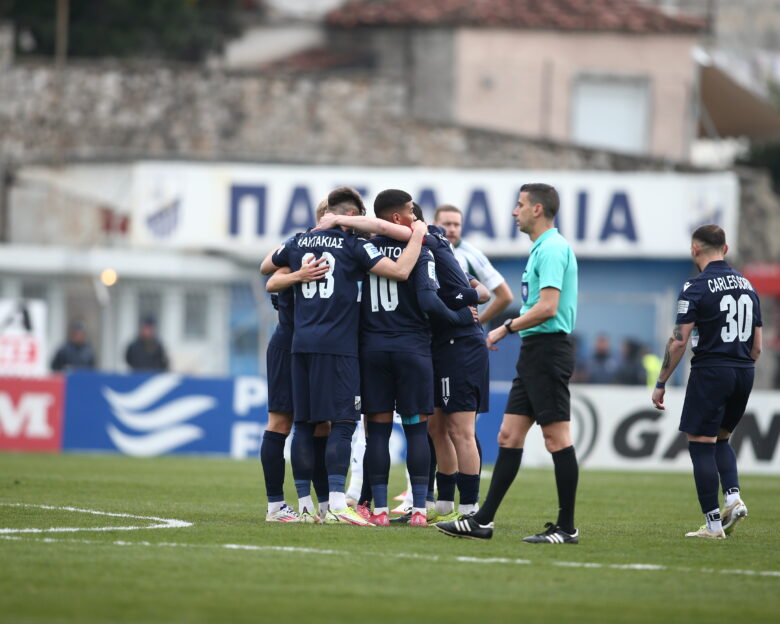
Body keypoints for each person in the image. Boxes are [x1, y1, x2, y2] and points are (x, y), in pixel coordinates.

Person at [264, 186, 427, 526]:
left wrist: (296, 273)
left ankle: (309, 505)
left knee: (305, 426)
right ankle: (338, 504)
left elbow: (267, 270)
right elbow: (399, 272)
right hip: (337, 346)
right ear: (351, 216)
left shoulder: (297, 241)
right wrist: (418, 236)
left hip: (300, 344)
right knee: (342, 422)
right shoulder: (354, 245)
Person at [436, 182, 580, 544]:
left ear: (536, 209)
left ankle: (567, 528)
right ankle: (482, 521)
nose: (514, 211)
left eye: (519, 205)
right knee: (508, 435)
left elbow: (547, 307)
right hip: (534, 353)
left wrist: (505, 327)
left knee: (556, 438)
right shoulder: (540, 248)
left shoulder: (551, 248)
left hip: (548, 350)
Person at [358, 189, 478, 527]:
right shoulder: (421, 249)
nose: (417, 218)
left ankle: (378, 510)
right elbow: (431, 298)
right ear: (398, 217)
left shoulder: (362, 250)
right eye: (412, 211)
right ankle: (421, 512)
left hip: (374, 349)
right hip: (413, 350)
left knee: (377, 434)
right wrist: (464, 311)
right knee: (416, 431)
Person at [651, 224, 762, 539]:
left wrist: (661, 382)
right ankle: (732, 496)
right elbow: (758, 347)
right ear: (725, 249)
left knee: (700, 445)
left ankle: (713, 525)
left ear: (694, 249)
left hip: (712, 370)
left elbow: (678, 341)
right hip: (744, 371)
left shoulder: (695, 286)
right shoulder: (748, 286)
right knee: (722, 439)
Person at [259, 199, 331, 523]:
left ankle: (327, 505)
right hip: (288, 344)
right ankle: (275, 505)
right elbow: (268, 274)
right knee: (282, 423)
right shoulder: (298, 247)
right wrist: (300, 274)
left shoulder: (343, 250)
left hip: (319, 349)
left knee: (321, 425)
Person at [434, 204, 513, 325]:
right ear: (434, 224)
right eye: (447, 224)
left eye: (456, 225)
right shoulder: (424, 249)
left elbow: (505, 296)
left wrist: (475, 322)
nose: (452, 229)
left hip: (458, 334)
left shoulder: (472, 255)